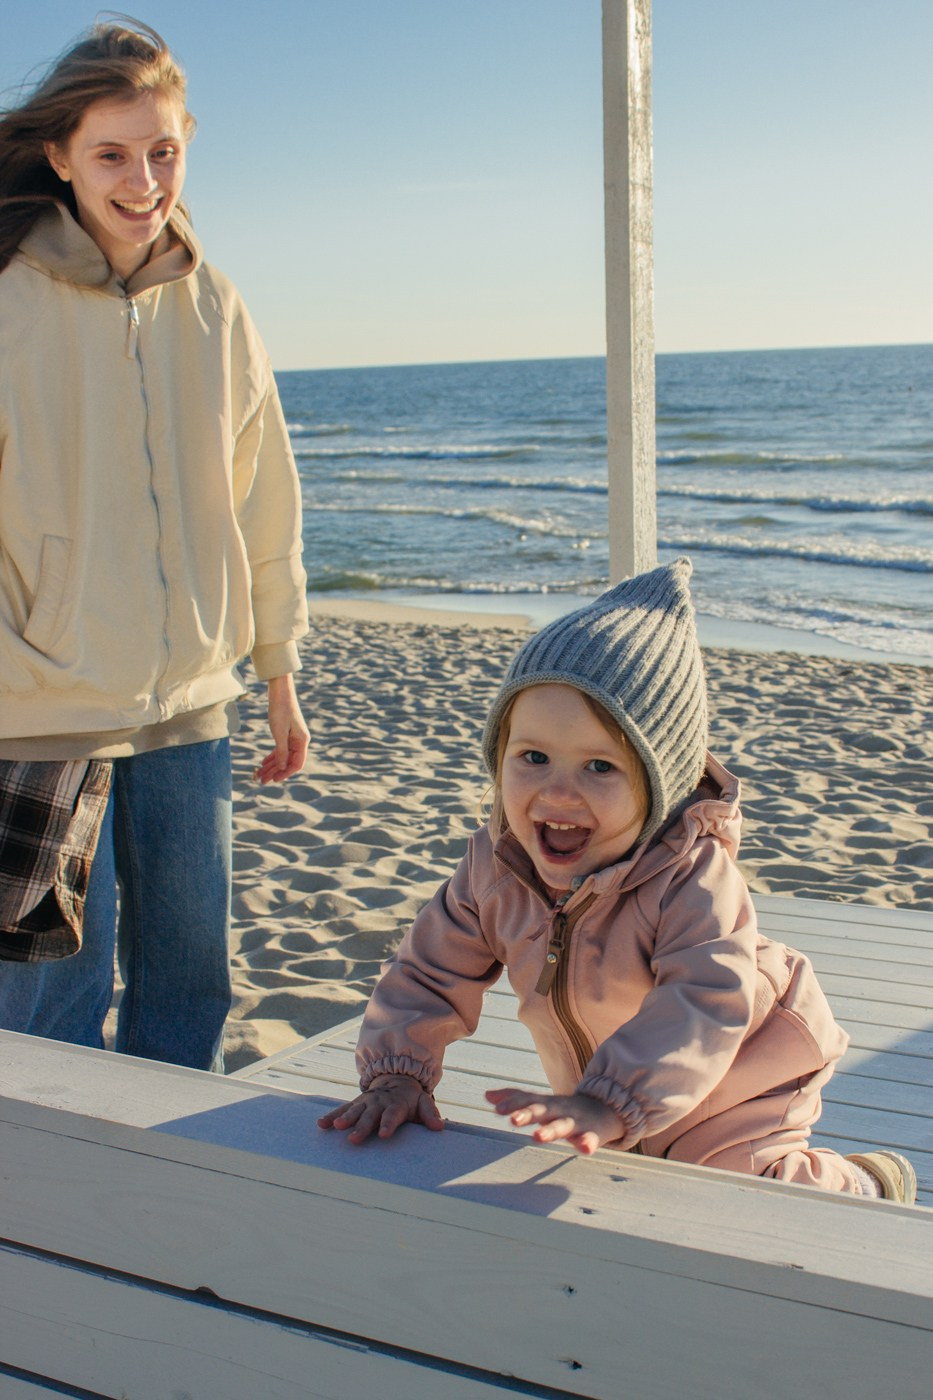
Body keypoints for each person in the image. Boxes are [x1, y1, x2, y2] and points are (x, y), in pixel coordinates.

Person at [320, 559, 917, 1204]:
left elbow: (703, 1000)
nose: (557, 790)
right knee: (631, 1168)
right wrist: (397, 1074)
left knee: (734, 1177)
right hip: (616, 1078)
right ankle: (627, 1111)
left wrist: (612, 1102)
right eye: (533, 757)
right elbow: (431, 973)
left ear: (660, 789)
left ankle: (866, 1182)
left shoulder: (692, 879)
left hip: (748, 1057)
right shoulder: (496, 868)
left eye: (600, 766)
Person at [0, 19, 309, 1070]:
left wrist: (277, 666)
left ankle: (169, 1195)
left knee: (191, 978)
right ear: (59, 156)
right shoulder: (8, 300)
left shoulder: (216, 305)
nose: (144, 181)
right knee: (51, 1000)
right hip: (44, 710)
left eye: (164, 150)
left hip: (190, 703)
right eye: (113, 153)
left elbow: (264, 494)